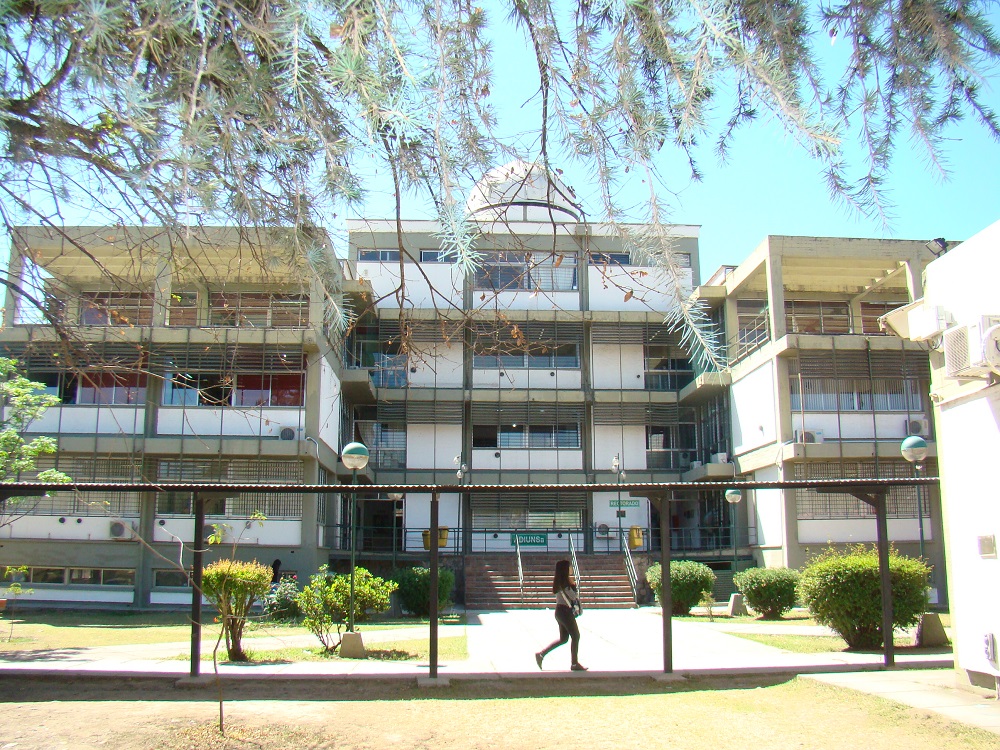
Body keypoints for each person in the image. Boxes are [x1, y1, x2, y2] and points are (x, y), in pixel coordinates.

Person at [535, 559, 587, 671]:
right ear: (565, 570)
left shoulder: (560, 583)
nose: (571, 568)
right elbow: (573, 597)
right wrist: (574, 586)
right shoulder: (566, 584)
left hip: (560, 611)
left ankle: (541, 654)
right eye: (569, 567)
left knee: (564, 639)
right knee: (576, 636)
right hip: (565, 612)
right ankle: (574, 663)